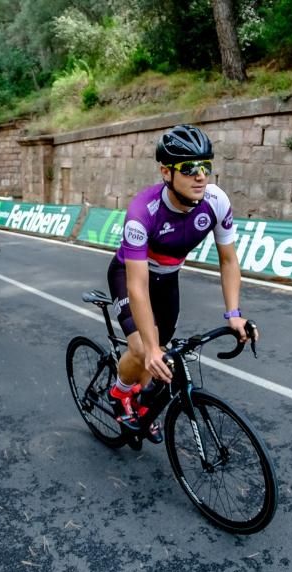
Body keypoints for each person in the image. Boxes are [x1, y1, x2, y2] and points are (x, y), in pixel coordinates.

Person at [106, 124, 256, 443]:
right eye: (189, 168)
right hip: (130, 275)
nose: (200, 175)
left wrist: (234, 313)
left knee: (161, 357)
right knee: (142, 349)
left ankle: (142, 403)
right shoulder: (142, 212)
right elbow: (137, 287)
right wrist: (148, 348)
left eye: (205, 166)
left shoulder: (215, 202)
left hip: (168, 279)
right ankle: (119, 394)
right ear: (166, 172)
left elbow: (228, 261)